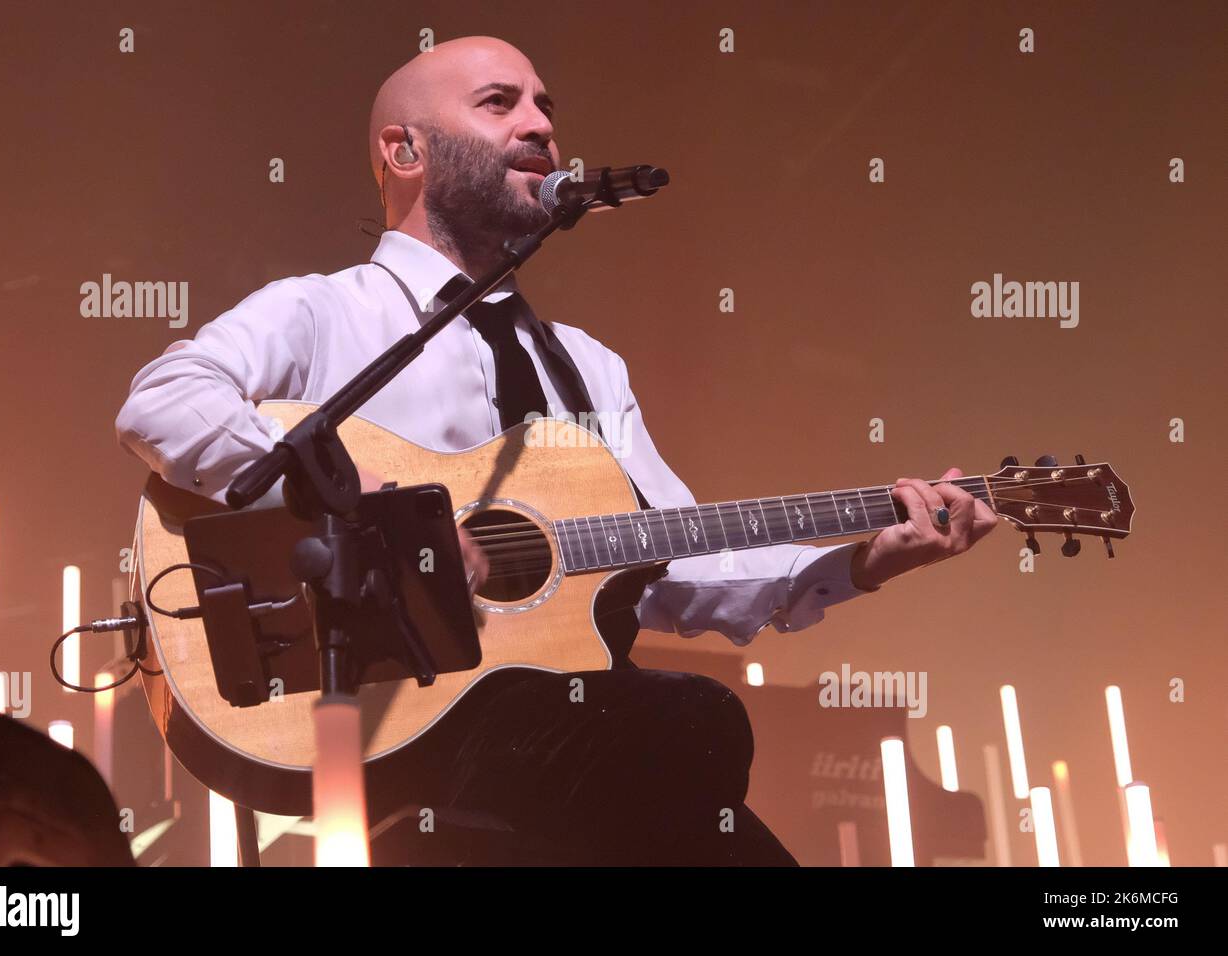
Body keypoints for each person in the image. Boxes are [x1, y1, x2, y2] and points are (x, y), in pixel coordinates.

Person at [115, 36, 997, 865]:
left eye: (544, 105)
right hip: (382, 715)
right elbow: (163, 403)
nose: (540, 125)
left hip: (573, 746)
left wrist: (867, 560)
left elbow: (678, 556)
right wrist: (382, 513)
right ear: (404, 151)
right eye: (501, 103)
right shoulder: (322, 312)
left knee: (703, 774)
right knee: (694, 720)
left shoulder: (587, 368)